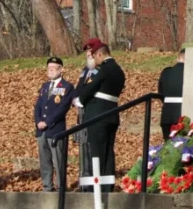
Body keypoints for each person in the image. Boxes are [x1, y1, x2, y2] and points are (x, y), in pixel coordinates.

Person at [77, 38, 126, 192]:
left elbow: (88, 90)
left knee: (97, 151)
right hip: (111, 114)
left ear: (99, 55)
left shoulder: (105, 69)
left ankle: (99, 188)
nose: (94, 60)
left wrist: (81, 99)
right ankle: (107, 185)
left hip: (98, 115)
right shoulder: (118, 70)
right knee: (108, 151)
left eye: (94, 56)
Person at [34, 57, 74, 192]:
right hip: (41, 130)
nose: (50, 70)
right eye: (48, 68)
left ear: (61, 69)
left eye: (53, 67)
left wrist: (48, 122)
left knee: (58, 161)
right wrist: (38, 121)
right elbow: (38, 106)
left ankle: (60, 186)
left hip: (55, 129)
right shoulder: (45, 86)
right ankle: (47, 186)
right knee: (45, 161)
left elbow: (63, 108)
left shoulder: (67, 87)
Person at [73, 41, 99, 191]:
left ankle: (92, 185)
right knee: (83, 148)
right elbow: (79, 88)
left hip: (92, 112)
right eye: (87, 52)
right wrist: (75, 99)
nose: (88, 54)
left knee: (91, 149)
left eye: (91, 51)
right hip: (81, 114)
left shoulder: (101, 70)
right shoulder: (85, 70)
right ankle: (84, 182)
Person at [157, 48, 185, 141]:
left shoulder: (166, 72)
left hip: (167, 115)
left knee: (169, 147)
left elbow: (161, 92)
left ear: (178, 58)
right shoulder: (191, 73)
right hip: (184, 116)